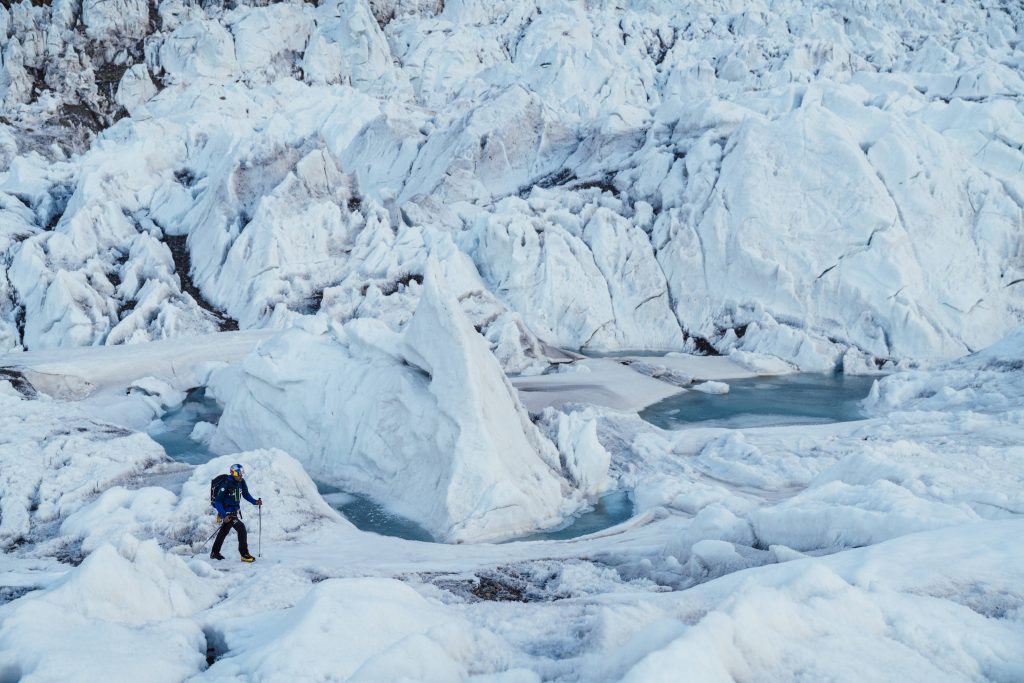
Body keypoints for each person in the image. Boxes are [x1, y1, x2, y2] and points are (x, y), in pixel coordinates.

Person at [210, 463, 263, 562]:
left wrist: (255, 501)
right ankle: (244, 554)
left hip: (234, 512)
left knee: (224, 531)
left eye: (241, 473)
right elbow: (218, 501)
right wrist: (223, 515)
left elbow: (246, 495)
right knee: (241, 528)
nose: (240, 475)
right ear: (233, 473)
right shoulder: (226, 483)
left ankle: (214, 553)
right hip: (227, 513)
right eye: (238, 473)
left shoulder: (241, 482)